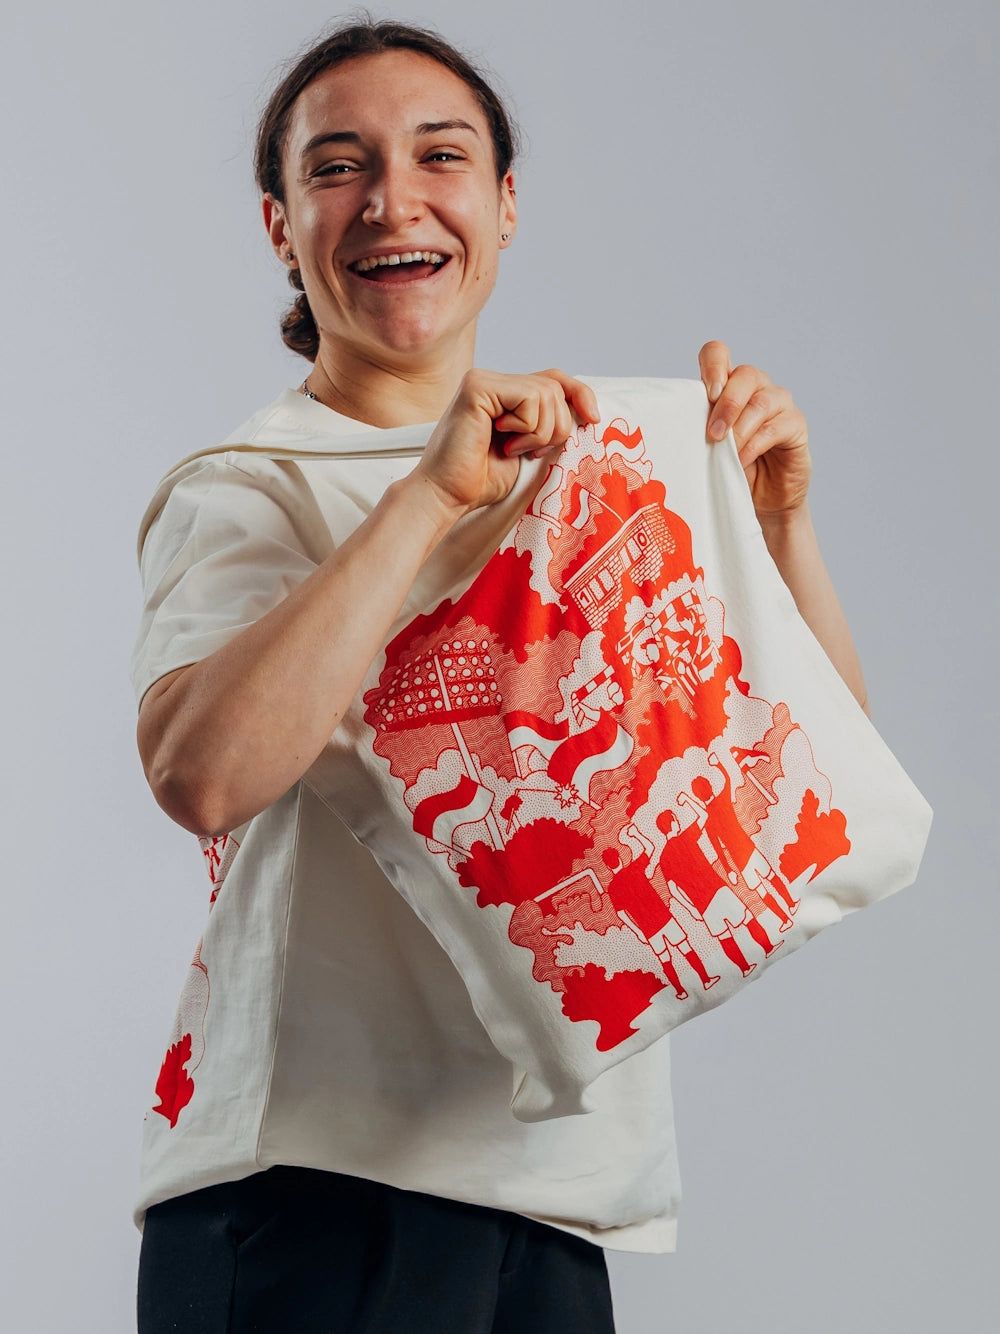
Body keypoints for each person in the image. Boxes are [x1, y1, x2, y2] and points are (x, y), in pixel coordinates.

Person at [131, 14, 871, 1334]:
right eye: (337, 166)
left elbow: (810, 798)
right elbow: (205, 770)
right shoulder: (249, 489)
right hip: (315, 1190)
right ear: (280, 223)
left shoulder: (596, 467)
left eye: (440, 155)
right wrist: (428, 493)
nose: (391, 200)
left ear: (507, 204)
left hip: (553, 1198)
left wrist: (777, 525)